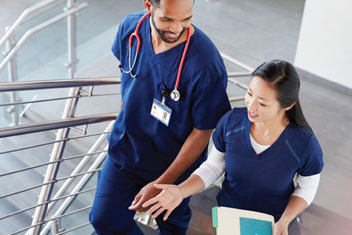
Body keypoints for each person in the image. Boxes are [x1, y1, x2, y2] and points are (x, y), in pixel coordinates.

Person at [89, 0, 231, 234]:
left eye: (186, 19)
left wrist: (159, 184)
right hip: (126, 150)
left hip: (173, 164)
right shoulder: (130, 29)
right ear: (148, 5)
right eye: (167, 19)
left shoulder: (205, 64)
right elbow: (128, 78)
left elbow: (203, 130)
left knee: (172, 222)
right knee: (103, 220)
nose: (176, 28)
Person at [143, 60, 324, 235]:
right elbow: (213, 167)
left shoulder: (304, 144)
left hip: (274, 223)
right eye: (249, 93)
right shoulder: (231, 122)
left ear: (288, 105)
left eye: (262, 103)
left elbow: (306, 187)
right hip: (231, 216)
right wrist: (181, 191)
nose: (251, 106)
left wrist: (285, 220)